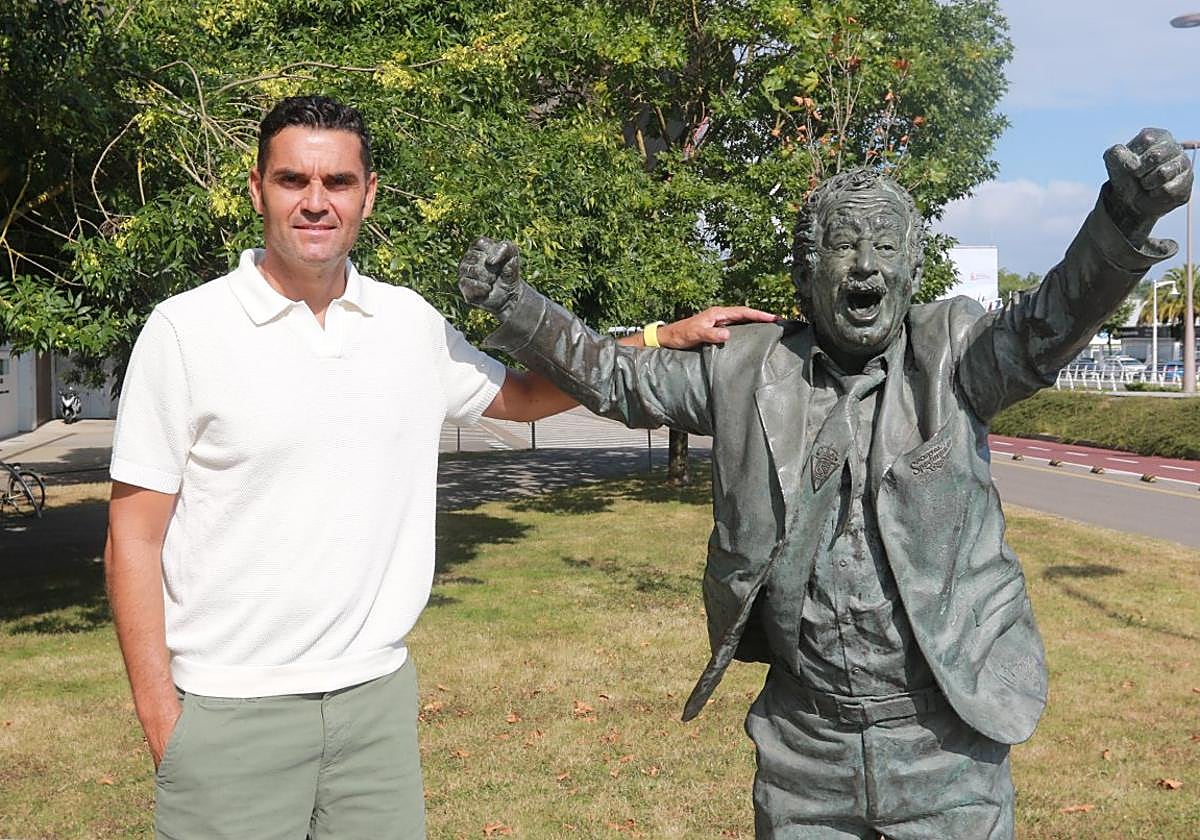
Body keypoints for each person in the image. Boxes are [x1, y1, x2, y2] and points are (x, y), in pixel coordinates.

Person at [458, 128, 1192, 839]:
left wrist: (1123, 217)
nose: (866, 268)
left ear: (911, 266)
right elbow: (618, 379)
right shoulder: (744, 370)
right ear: (807, 272)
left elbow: (1049, 321)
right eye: (843, 247)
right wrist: (520, 309)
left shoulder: (956, 355)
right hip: (804, 745)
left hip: (944, 744)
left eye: (884, 247)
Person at [104, 94, 775, 840]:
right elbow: (132, 538)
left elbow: (521, 395)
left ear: (369, 193)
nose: (316, 203)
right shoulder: (186, 332)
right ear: (257, 187)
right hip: (231, 713)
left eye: (339, 183)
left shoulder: (407, 324)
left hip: (375, 707)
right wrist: (165, 722)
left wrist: (659, 336)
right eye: (294, 181)